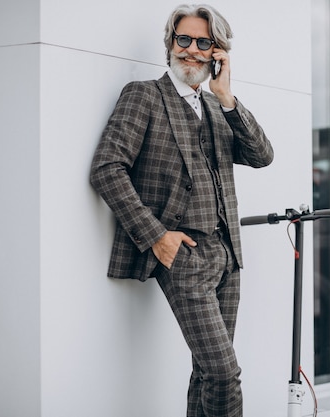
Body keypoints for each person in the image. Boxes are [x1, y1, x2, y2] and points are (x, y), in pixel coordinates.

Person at [89, 4, 274, 416]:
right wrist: (156, 235)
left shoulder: (217, 108)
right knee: (225, 373)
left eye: (203, 43)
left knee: (206, 373)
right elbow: (106, 168)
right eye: (183, 39)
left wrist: (226, 97)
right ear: (170, 44)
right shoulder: (145, 95)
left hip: (228, 255)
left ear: (217, 53)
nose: (191, 49)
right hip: (184, 255)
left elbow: (262, 155)